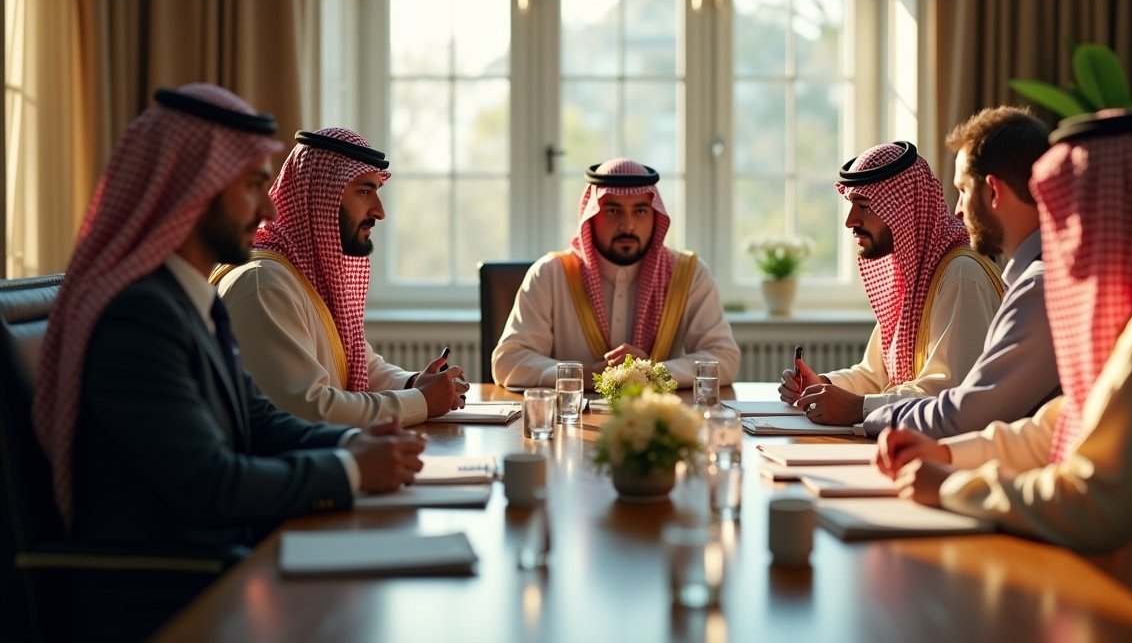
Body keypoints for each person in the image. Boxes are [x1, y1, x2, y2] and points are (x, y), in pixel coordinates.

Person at [32, 85, 425, 637]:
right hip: (172, 596)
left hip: (228, 564)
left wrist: (355, 443)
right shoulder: (138, 315)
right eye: (252, 186)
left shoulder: (188, 299)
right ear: (191, 189)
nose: (268, 209)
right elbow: (210, 483)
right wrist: (353, 468)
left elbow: (260, 420)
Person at [879, 110, 1132, 629]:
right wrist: (947, 454)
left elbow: (1096, 504)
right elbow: (1063, 427)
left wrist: (953, 486)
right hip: (1112, 592)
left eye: (1065, 212)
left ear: (1112, 213)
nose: (1055, 232)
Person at [213, 128, 467, 426]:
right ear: (320, 196)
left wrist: (414, 384)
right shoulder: (265, 284)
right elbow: (307, 409)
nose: (379, 211)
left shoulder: (303, 272)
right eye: (364, 191)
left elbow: (356, 364)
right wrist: (420, 401)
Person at [860, 108, 1061, 438]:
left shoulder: (1038, 287)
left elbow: (966, 415)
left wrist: (862, 410)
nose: (956, 210)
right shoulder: (1032, 281)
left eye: (964, 190)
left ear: (993, 192)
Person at [779, 140, 1004, 425]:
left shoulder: (961, 274)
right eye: (851, 205)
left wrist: (858, 408)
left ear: (903, 209)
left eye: (864, 207)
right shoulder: (911, 273)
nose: (850, 221)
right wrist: (822, 385)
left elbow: (948, 395)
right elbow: (878, 377)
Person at [492, 157, 740, 388]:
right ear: (591, 216)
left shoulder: (689, 274)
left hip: (657, 416)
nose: (628, 225)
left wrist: (653, 372)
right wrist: (583, 374)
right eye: (613, 211)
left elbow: (725, 359)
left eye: (640, 211)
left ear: (655, 217)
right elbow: (507, 362)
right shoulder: (551, 273)